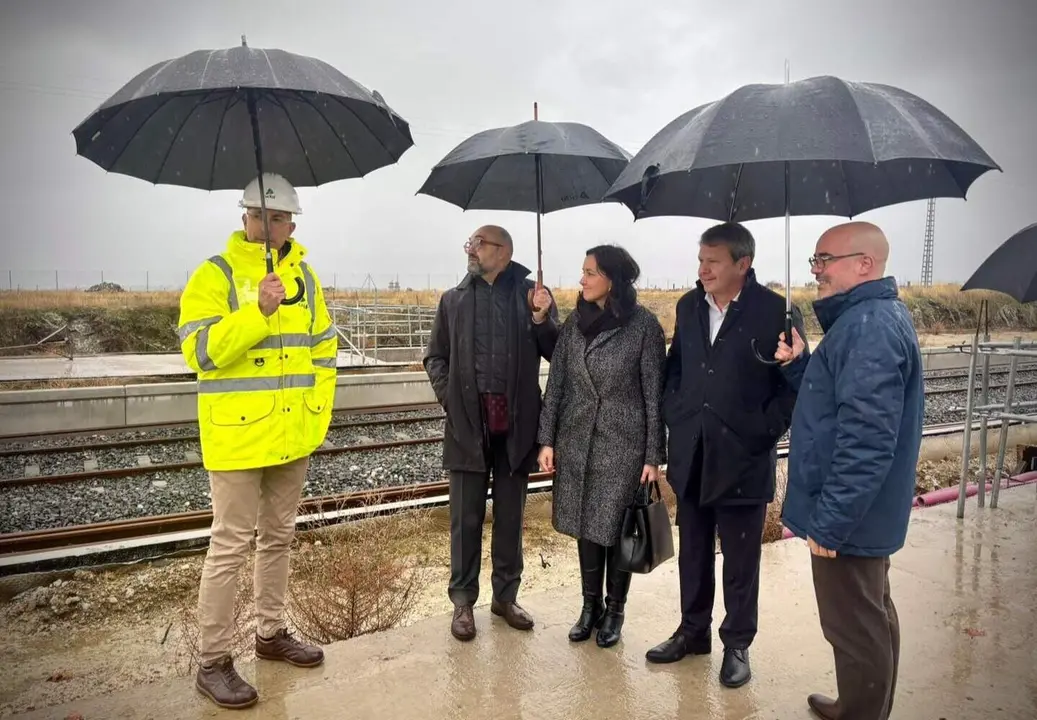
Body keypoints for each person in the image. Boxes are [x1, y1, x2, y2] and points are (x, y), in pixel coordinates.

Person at [177, 173, 337, 710]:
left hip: (293, 434)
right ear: (242, 217)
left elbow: (324, 351)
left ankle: (270, 635)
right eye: (257, 216)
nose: (267, 227)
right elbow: (198, 353)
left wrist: (318, 415)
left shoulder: (306, 279)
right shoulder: (214, 276)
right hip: (239, 437)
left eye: (277, 218)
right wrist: (255, 314)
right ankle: (213, 662)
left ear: (292, 222)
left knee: (279, 538)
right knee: (229, 545)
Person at [645, 222, 809, 690]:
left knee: (740, 560)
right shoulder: (688, 305)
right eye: (700, 261)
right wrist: (677, 410)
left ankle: (737, 644)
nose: (702, 270)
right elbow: (676, 366)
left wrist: (762, 430)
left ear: (743, 263)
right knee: (693, 552)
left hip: (744, 457)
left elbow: (794, 388)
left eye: (711, 262)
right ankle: (692, 632)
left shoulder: (777, 312)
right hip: (693, 453)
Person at [780, 221, 923, 720]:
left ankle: (862, 713)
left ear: (865, 264)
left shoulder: (869, 326)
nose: (816, 270)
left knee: (854, 625)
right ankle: (860, 705)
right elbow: (837, 404)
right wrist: (802, 365)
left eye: (825, 260)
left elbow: (866, 440)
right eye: (815, 260)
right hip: (865, 511)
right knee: (872, 614)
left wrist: (832, 522)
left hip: (850, 516)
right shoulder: (868, 320)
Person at [423, 225, 559, 642]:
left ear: (503, 251)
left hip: (516, 425)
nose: (471, 250)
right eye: (470, 243)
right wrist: (452, 402)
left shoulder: (532, 294)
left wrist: (540, 317)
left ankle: (505, 596)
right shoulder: (454, 300)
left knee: (510, 516)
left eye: (478, 244)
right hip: (468, 425)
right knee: (465, 518)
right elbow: (435, 357)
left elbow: (558, 352)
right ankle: (463, 602)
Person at [536, 244, 667, 649]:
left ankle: (615, 611)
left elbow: (653, 397)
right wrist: (547, 439)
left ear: (613, 278)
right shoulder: (575, 322)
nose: (582, 279)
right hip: (576, 441)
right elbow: (556, 384)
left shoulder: (644, 326)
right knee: (585, 529)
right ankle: (589, 607)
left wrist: (653, 456)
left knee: (616, 529)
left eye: (590, 272)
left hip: (622, 445)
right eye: (582, 271)